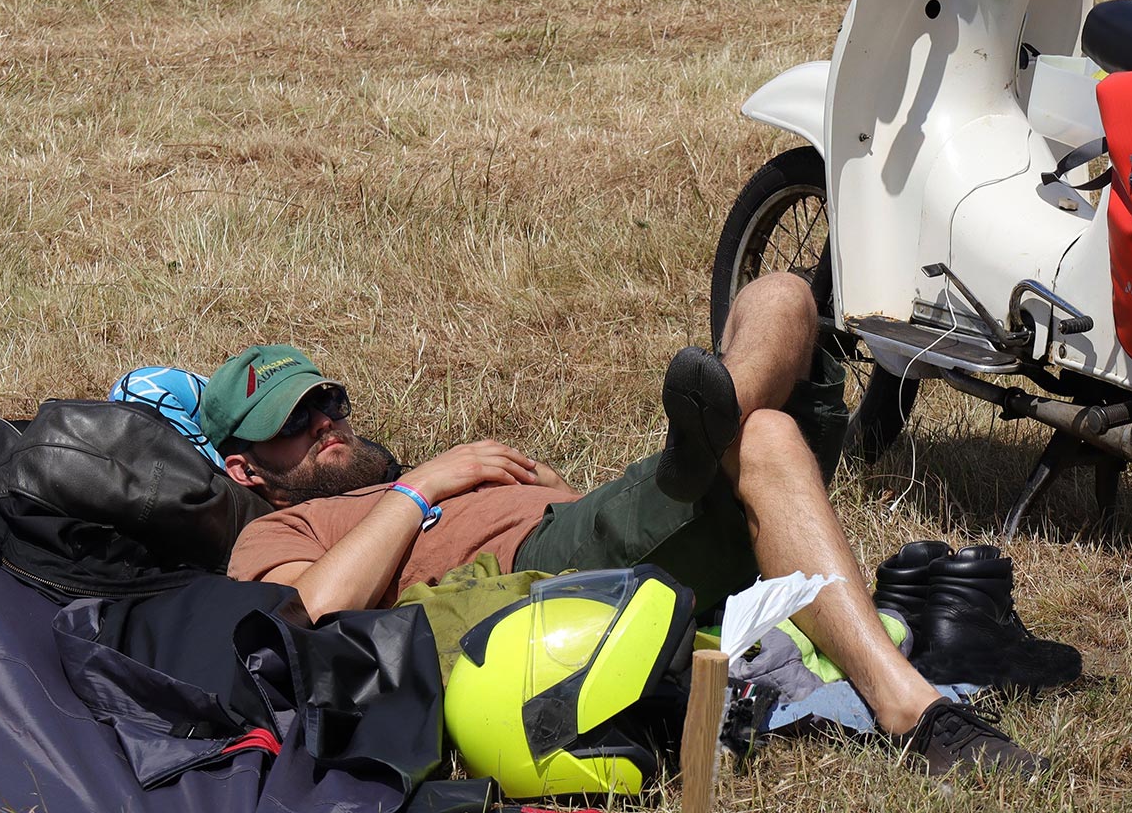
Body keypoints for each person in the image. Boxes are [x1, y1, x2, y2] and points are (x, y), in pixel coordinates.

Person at [204, 274, 1045, 778]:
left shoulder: (448, 477)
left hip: (597, 530)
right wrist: (424, 486)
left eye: (329, 402)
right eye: (297, 423)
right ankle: (916, 712)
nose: (328, 425)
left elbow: (587, 513)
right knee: (765, 437)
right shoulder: (282, 531)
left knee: (784, 296)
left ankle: (716, 424)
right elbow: (302, 619)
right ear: (246, 469)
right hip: (539, 580)